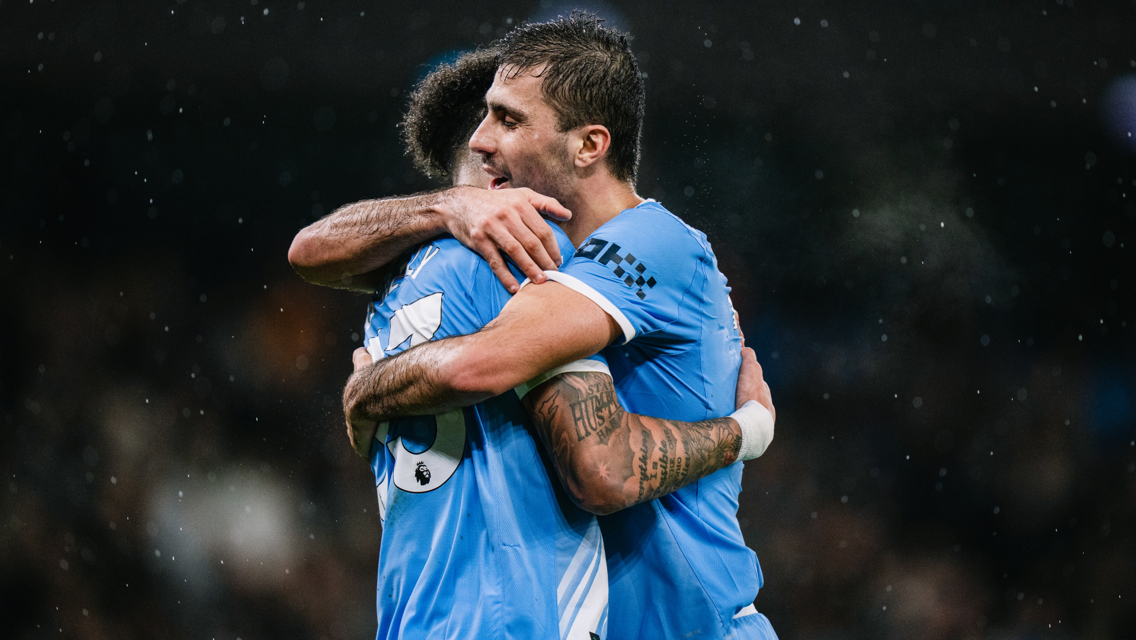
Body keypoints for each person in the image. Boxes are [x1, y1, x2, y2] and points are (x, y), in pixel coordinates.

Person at [289, 42, 774, 640]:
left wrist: (749, 430)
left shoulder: (654, 243)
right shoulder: (519, 263)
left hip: (696, 626)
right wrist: (447, 204)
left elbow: (592, 461)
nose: (482, 139)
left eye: (509, 120)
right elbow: (309, 252)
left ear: (590, 145)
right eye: (487, 117)